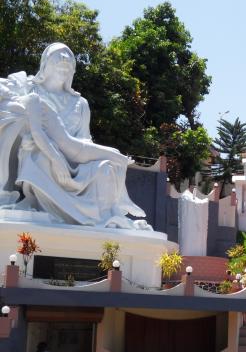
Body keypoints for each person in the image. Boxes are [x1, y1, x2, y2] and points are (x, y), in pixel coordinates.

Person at [0, 42, 147, 229]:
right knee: (40, 157)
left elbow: (84, 140)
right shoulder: (31, 92)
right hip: (44, 152)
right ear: (45, 64)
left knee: (107, 167)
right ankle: (115, 204)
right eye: (58, 56)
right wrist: (47, 152)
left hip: (75, 153)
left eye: (68, 57)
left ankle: (110, 212)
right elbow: (29, 127)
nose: (64, 59)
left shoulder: (81, 104)